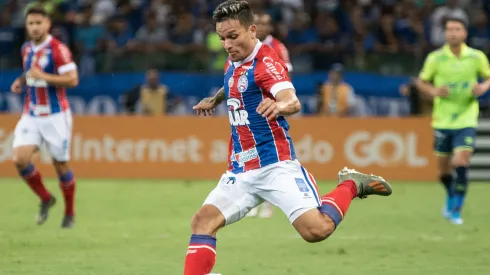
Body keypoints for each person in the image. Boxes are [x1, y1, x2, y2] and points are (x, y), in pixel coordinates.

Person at [184, 1, 393, 275]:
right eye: (223, 38)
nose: (227, 44)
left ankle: (351, 185)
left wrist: (279, 106)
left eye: (233, 37)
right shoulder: (233, 59)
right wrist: (214, 99)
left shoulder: (266, 63)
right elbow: (232, 84)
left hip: (275, 165)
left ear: (252, 31)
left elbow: (291, 100)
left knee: (316, 230)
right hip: (240, 169)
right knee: (202, 222)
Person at [416, 17, 490, 225]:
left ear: (465, 33)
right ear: (445, 34)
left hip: (466, 117)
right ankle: (450, 194)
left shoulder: (476, 57)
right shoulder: (435, 58)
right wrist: (433, 91)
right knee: (443, 171)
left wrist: (483, 88)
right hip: (442, 119)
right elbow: (421, 82)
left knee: (461, 161)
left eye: (457, 29)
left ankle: (457, 208)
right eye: (449, 29)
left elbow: (488, 77)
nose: (453, 33)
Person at [10, 6, 79, 229]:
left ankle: (69, 212)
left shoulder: (58, 49)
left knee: (60, 164)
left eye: (39, 23)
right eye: (31, 24)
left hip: (55, 116)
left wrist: (43, 77)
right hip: (31, 114)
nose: (35, 27)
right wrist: (22, 80)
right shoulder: (26, 48)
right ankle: (46, 198)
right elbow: (31, 71)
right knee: (20, 159)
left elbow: (72, 80)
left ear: (48, 24)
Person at [245, 12, 293, 219]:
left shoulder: (278, 48)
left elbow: (285, 73)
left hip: (270, 108)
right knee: (250, 155)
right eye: (259, 23)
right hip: (249, 109)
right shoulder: (246, 45)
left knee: (268, 158)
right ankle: (253, 202)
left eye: (266, 23)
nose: (263, 27)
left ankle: (268, 205)